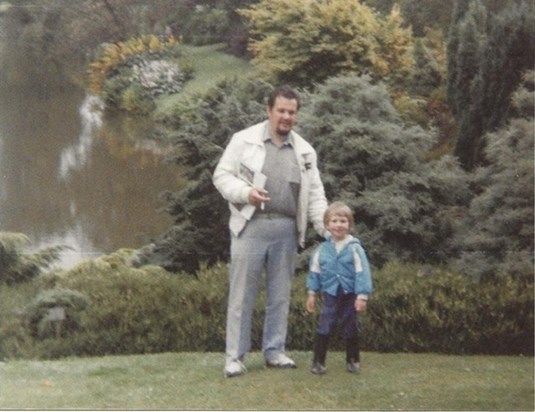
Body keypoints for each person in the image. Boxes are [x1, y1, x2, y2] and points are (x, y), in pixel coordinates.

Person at [213, 85, 328, 378]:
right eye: (281, 111)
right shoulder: (244, 140)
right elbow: (221, 176)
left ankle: (274, 351)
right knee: (242, 295)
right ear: (269, 111)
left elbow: (315, 194)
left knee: (280, 295)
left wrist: (327, 229)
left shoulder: (305, 150)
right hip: (250, 226)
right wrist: (245, 192)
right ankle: (234, 358)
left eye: (291, 112)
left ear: (296, 115)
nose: (286, 117)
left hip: (286, 230)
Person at [306, 201, 372, 375]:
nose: (338, 225)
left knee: (350, 325)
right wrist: (312, 293)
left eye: (343, 221)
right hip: (330, 293)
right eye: (334, 221)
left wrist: (362, 296)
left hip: (350, 295)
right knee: (325, 324)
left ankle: (353, 360)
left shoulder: (355, 248)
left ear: (349, 225)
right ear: (327, 225)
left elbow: (362, 272)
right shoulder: (322, 249)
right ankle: (318, 362)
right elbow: (315, 271)